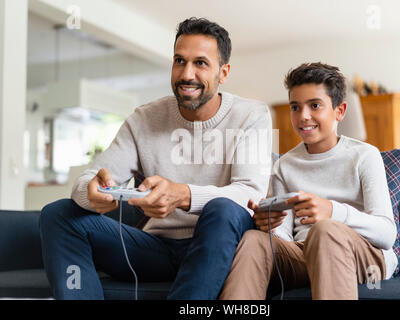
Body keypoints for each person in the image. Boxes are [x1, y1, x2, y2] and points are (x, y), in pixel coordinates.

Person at [39, 17, 272, 300]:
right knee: (58, 213)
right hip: (155, 249)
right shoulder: (144, 118)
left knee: (223, 209)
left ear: (223, 73)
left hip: (218, 246)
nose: (187, 74)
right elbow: (90, 179)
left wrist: (183, 195)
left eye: (200, 63)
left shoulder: (252, 115)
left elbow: (249, 193)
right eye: (179, 61)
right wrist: (90, 192)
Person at [219, 62, 397, 300]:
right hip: (304, 254)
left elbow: (386, 233)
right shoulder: (284, 165)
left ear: (340, 111)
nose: (303, 116)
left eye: (315, 105)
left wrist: (332, 212)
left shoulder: (365, 156)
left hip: (363, 255)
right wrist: (270, 225)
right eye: (295, 107)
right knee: (254, 240)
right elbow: (284, 237)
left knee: (325, 231)